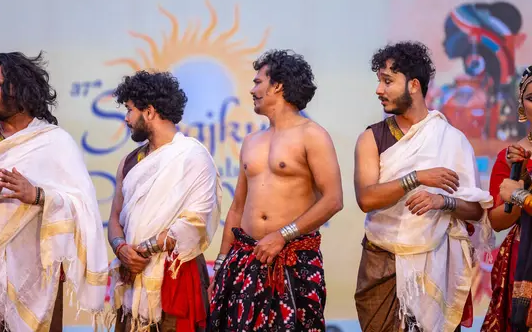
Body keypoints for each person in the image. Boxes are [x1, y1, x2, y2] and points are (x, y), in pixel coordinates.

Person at [0, 52, 108, 332]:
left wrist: (38, 196)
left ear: (17, 89)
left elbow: (83, 207)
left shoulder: (56, 143)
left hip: (37, 277)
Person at [353, 41, 493, 332]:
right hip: (381, 261)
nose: (379, 90)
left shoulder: (451, 139)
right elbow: (366, 199)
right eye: (379, 81)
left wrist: (443, 202)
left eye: (387, 81)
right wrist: (416, 177)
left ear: (413, 85)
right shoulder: (372, 138)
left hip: (436, 264)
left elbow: (476, 211)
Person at [208, 49, 343, 331]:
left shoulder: (313, 135)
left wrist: (282, 235)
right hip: (244, 259)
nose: (252, 89)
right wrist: (220, 264)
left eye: (258, 82)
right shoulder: (251, 141)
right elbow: (237, 208)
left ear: (278, 85)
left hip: (293, 261)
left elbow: (333, 200)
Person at [107, 71, 221, 332]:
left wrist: (141, 251)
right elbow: (114, 218)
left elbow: (195, 223)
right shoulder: (128, 162)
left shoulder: (193, 156)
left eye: (129, 110)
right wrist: (121, 248)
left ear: (148, 111)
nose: (126, 119)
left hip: (175, 278)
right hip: (132, 278)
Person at [492, 65, 532, 332]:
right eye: (531, 99)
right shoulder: (512, 156)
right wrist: (519, 189)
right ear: (521, 105)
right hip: (525, 258)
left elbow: (514, 196)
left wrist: (519, 195)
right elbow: (496, 221)